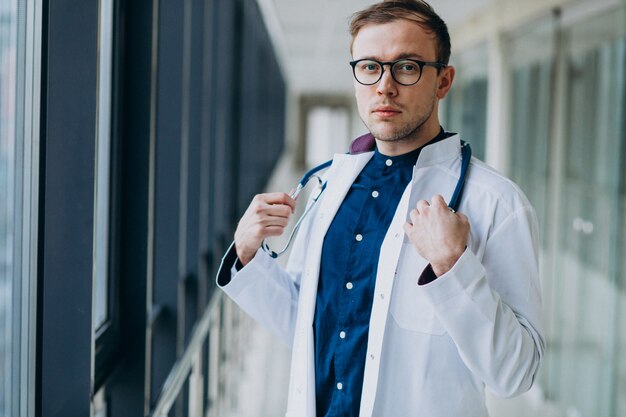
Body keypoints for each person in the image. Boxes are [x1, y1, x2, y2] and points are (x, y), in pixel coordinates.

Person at [216, 1, 544, 416]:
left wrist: (454, 266)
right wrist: (247, 253)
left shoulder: (497, 203)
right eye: (370, 67)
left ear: (444, 80)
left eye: (406, 67)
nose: (384, 86)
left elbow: (516, 373)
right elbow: (306, 326)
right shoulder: (330, 186)